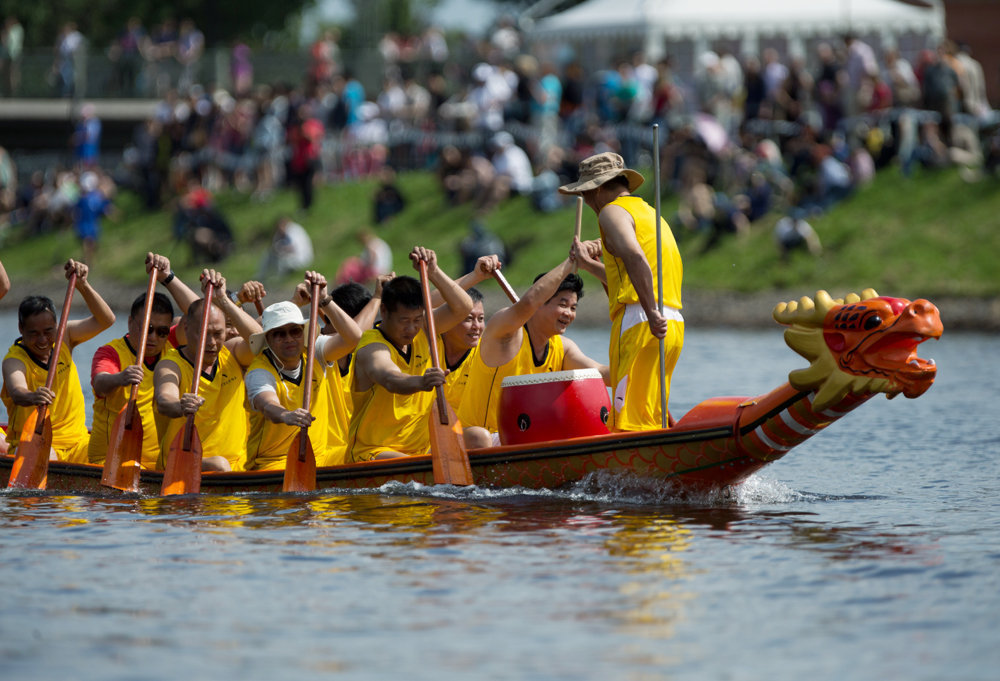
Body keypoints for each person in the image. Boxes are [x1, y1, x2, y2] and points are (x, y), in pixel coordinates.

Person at [559, 151, 683, 432]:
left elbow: (636, 258)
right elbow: (629, 277)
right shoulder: (651, 214)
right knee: (646, 417)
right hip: (673, 323)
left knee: (625, 419)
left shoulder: (611, 212)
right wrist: (589, 264)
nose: (587, 201)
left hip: (642, 321)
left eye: (587, 193)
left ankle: (623, 471)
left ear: (601, 188)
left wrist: (651, 313)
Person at [458, 254, 608, 448]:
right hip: (477, 439)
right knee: (481, 437)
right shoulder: (506, 334)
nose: (568, 314)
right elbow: (528, 302)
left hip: (523, 440)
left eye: (573, 307)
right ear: (540, 303)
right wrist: (572, 261)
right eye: (562, 305)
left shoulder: (563, 347)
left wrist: (648, 366)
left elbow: (601, 374)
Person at [346, 247, 473, 461]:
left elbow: (463, 307)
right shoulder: (371, 346)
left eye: (416, 320)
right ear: (384, 311)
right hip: (373, 453)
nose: (412, 329)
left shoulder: (425, 328)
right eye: (404, 321)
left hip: (421, 452)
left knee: (477, 438)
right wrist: (422, 382)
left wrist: (434, 272)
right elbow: (391, 379)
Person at [87, 254, 199, 468]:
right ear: (130, 322)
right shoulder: (110, 353)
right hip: (111, 461)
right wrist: (121, 378)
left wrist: (168, 277)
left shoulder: (172, 344)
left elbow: (200, 315)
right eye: (147, 329)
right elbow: (100, 382)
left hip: (157, 465)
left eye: (162, 331)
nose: (154, 338)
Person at [244, 271, 362, 471]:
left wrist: (325, 300)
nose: (289, 338)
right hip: (274, 463)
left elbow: (354, 338)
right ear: (268, 340)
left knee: (362, 453)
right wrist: (285, 416)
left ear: (303, 333)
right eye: (280, 334)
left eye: (295, 331)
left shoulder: (314, 351)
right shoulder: (259, 372)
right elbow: (267, 404)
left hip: (323, 458)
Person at [1, 260, 115, 463]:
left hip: (79, 443)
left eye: (48, 331)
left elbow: (106, 320)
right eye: (34, 334)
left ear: (57, 325)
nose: (43, 340)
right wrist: (33, 396)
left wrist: (83, 286)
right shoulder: (14, 360)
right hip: (36, 441)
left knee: (113, 455)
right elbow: (18, 391)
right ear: (20, 329)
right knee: (48, 457)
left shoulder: (66, 335)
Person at [153, 269, 261, 472]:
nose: (211, 343)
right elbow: (165, 399)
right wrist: (180, 405)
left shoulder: (233, 354)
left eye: (217, 334)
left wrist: (224, 300)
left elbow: (259, 341)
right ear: (185, 329)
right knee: (220, 465)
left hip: (238, 467)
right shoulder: (170, 364)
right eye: (203, 333)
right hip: (183, 464)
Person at [256, 216, 313, 281]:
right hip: (289, 256)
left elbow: (294, 248)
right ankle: (261, 276)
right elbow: (273, 245)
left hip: (301, 258)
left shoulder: (294, 230)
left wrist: (280, 248)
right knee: (267, 254)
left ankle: (279, 278)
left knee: (281, 259)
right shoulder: (280, 232)